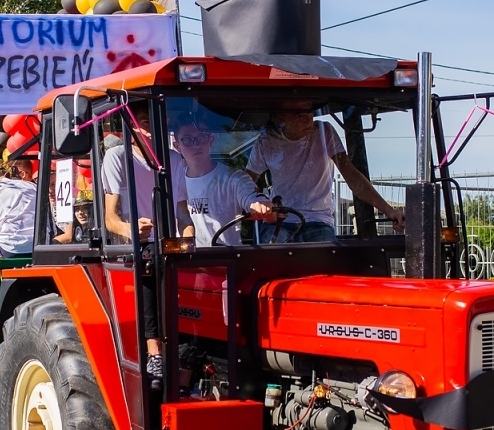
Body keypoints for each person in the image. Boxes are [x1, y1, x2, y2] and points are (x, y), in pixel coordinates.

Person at [247, 102, 403, 241]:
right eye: (299, 114)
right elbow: (246, 182)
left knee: (328, 262)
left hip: (318, 220)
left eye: (311, 112)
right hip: (280, 220)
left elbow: (352, 176)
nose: (308, 119)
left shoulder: (324, 132)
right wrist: (258, 203)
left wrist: (389, 211)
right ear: (281, 117)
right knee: (266, 258)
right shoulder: (265, 142)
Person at [101, 107, 169, 385]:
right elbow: (110, 219)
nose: (151, 127)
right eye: (144, 120)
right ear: (131, 126)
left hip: (168, 242)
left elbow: (182, 215)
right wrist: (132, 230)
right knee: (150, 262)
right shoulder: (117, 157)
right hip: (135, 246)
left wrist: (189, 238)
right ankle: (154, 353)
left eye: (155, 119)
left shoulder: (173, 160)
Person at [172, 117, 274, 245]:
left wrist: (258, 204)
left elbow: (251, 196)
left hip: (227, 257)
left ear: (211, 140)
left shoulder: (234, 178)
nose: (196, 144)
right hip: (189, 259)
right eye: (187, 140)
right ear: (177, 146)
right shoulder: (172, 182)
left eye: (201, 137)